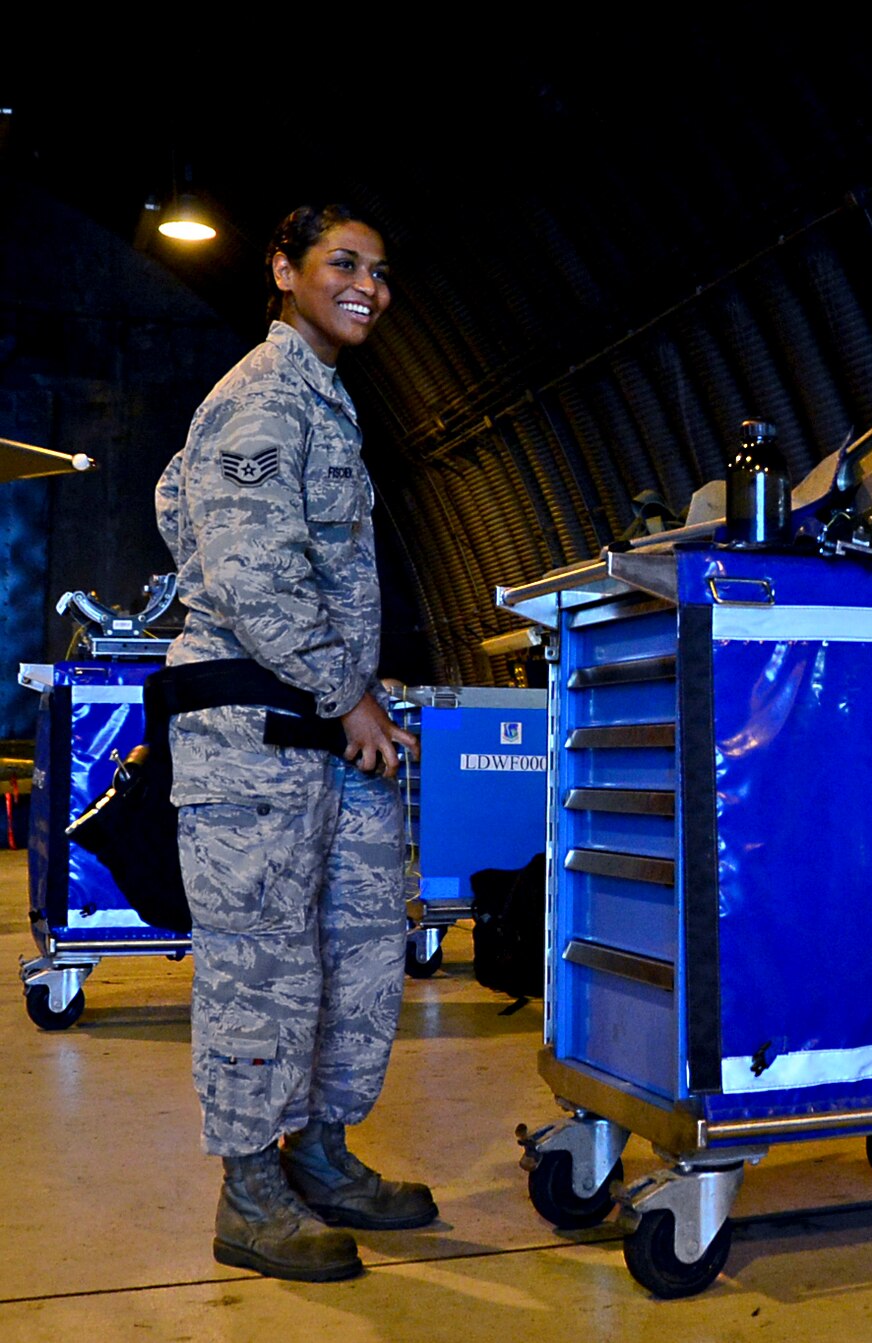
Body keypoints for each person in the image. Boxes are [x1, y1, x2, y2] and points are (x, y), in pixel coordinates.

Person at [154, 204, 434, 1283]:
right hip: (253, 736)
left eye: (379, 269)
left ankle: (318, 1150)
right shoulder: (260, 394)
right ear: (284, 271)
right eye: (343, 264)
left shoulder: (325, 398)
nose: (368, 285)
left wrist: (359, 694)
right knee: (258, 965)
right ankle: (249, 1193)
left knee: (354, 947)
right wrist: (345, 690)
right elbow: (249, 572)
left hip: (316, 724)